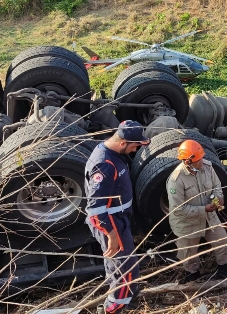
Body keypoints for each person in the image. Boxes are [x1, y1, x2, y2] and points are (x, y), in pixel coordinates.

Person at [85, 120, 150, 314]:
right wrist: (112, 235)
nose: (135, 150)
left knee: (119, 263)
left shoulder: (114, 154)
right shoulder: (104, 164)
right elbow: (95, 208)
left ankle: (129, 293)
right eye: (134, 146)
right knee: (124, 267)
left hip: (119, 218)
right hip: (110, 223)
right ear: (122, 143)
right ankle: (115, 307)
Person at [167, 140, 227, 283]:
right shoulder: (176, 180)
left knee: (223, 244)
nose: (202, 161)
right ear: (187, 162)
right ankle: (192, 277)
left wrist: (219, 198)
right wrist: (204, 209)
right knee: (189, 255)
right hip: (187, 222)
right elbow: (178, 210)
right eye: (198, 160)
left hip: (210, 217)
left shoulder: (207, 167)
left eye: (201, 157)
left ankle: (223, 273)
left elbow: (217, 185)